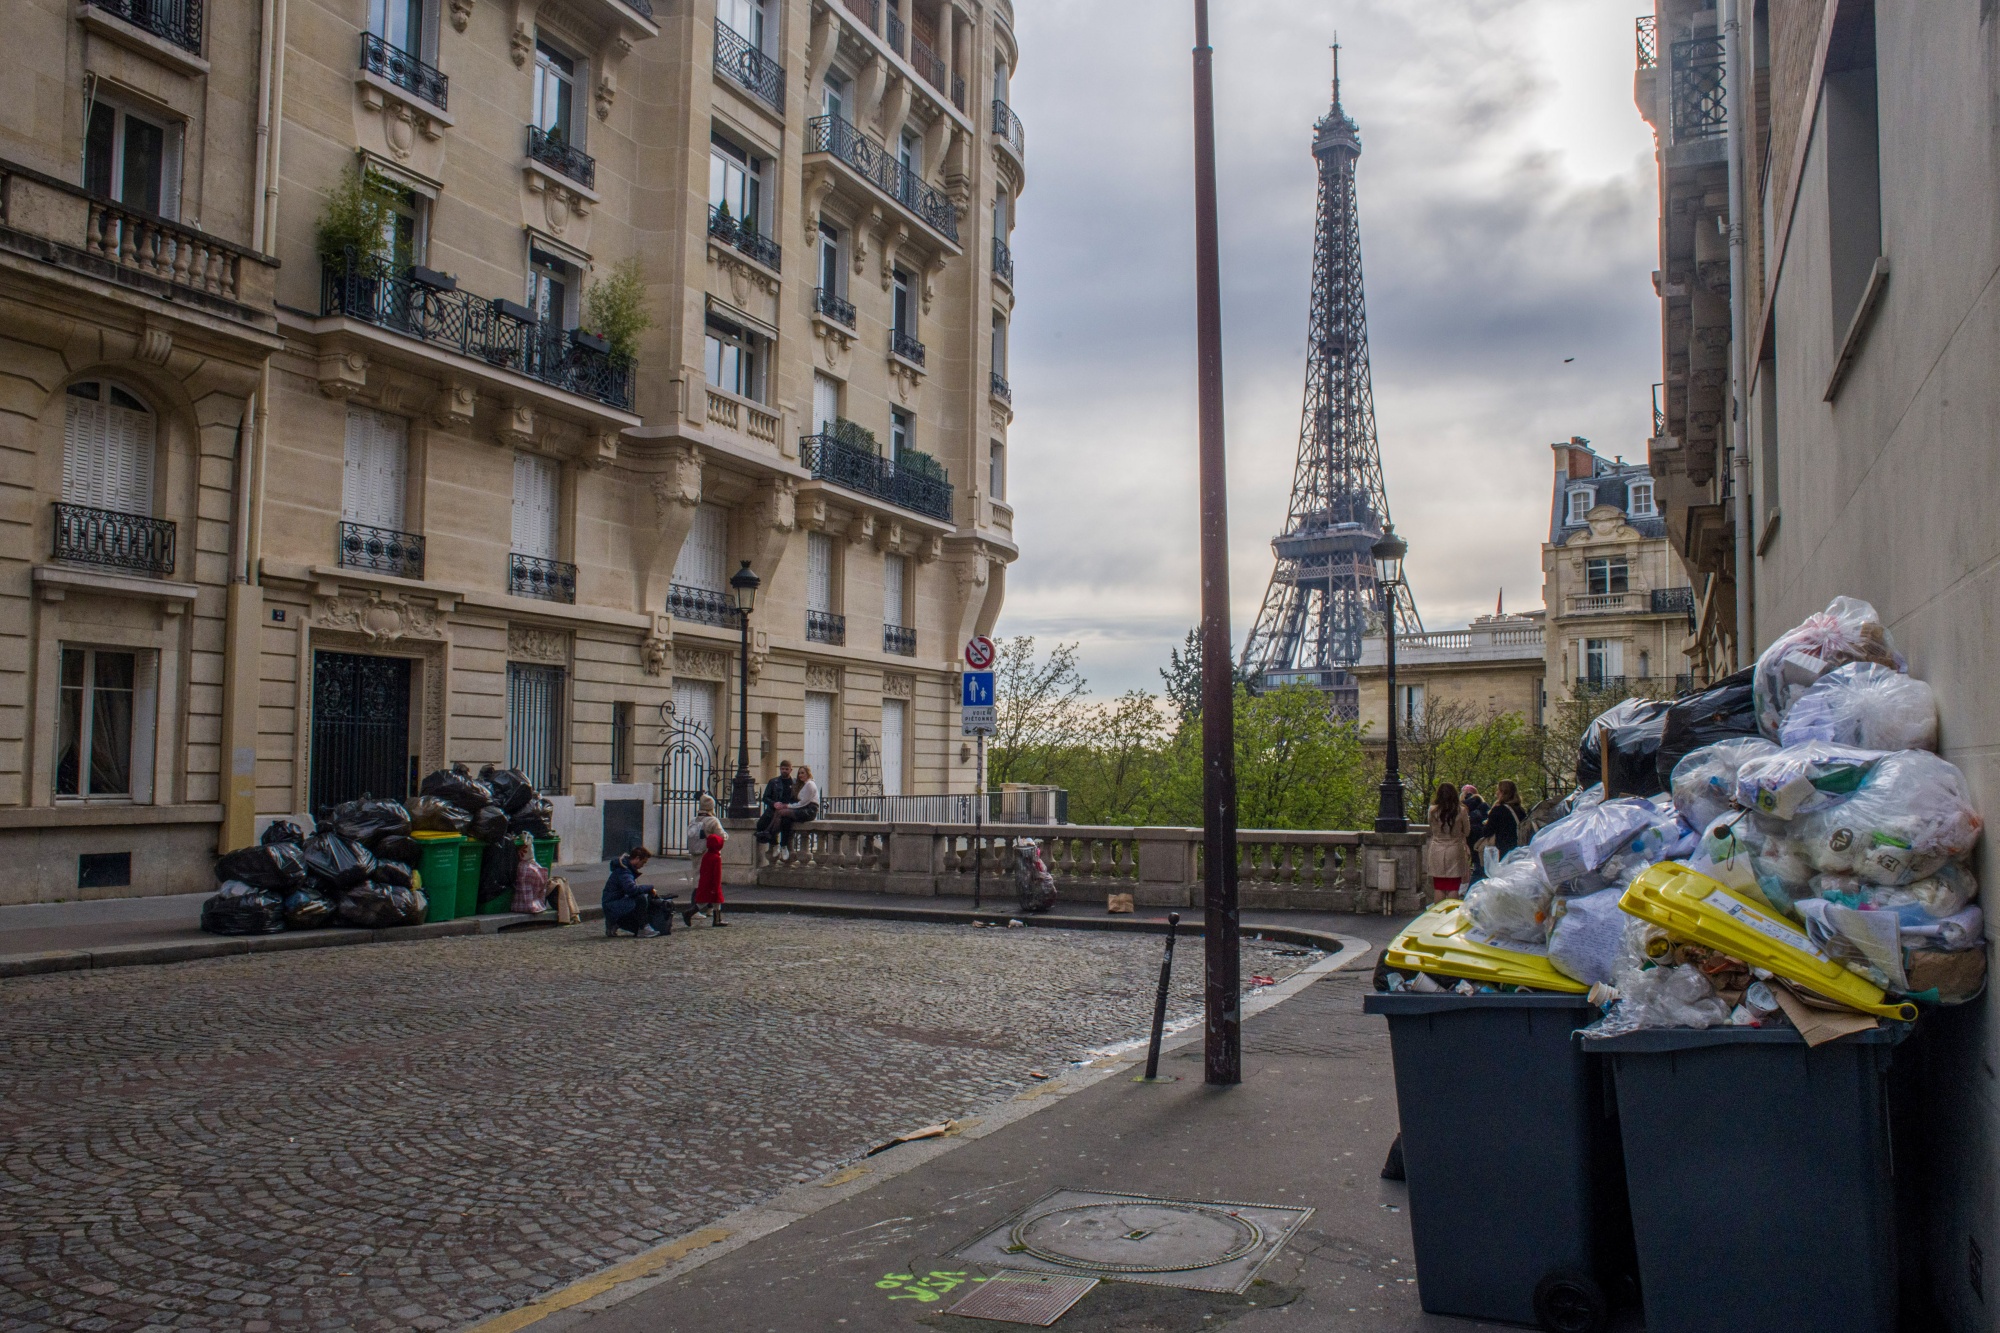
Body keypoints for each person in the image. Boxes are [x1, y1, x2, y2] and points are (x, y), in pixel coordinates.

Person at [601, 846, 669, 937]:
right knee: (640, 898)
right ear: (637, 859)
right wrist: (649, 888)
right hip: (612, 905)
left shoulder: (624, 869)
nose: (642, 866)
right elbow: (632, 890)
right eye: (643, 862)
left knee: (635, 925)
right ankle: (643, 928)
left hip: (612, 904)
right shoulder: (624, 871)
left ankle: (614, 923)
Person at [683, 794, 728, 927]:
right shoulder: (713, 821)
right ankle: (698, 909)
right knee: (708, 882)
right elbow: (721, 836)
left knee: (697, 879)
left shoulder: (694, 820)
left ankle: (709, 909)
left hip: (696, 852)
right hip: (708, 853)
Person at [1424, 782, 1472, 902]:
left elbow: (1431, 827)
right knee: (1453, 886)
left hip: (1437, 849)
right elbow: (1467, 832)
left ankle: (1439, 916)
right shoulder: (1461, 811)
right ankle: (1450, 915)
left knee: (1439, 886)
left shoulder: (1432, 810)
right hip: (1454, 849)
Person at [772, 765, 820, 857]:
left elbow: (803, 803)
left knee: (781, 812)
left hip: (809, 811)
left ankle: (773, 839)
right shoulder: (805, 784)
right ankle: (776, 841)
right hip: (804, 809)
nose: (800, 775)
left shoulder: (810, 784)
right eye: (799, 773)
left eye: (803, 773)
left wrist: (787, 806)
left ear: (808, 773)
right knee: (782, 815)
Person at [755, 760, 796, 863]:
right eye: (782, 769)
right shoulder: (773, 782)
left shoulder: (794, 783)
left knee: (786, 823)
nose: (784, 771)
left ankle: (784, 846)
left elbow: (797, 799)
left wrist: (789, 806)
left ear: (791, 770)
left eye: (786, 769)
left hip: (787, 810)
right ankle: (774, 844)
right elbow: (765, 798)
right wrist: (774, 804)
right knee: (762, 824)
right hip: (773, 810)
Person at [1482, 779, 1530, 858]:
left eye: (1498, 790)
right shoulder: (1520, 810)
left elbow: (1487, 832)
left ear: (1502, 793)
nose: (1496, 793)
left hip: (1502, 851)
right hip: (1519, 849)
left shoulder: (1498, 810)